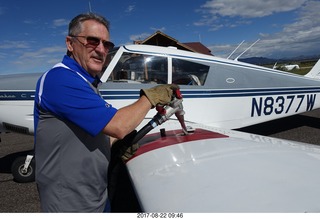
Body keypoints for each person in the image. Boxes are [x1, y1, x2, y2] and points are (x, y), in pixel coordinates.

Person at [33, 12, 178, 212]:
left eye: (106, 44)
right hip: (70, 205)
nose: (101, 50)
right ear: (70, 43)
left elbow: (88, 135)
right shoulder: (60, 79)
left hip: (96, 196)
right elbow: (118, 126)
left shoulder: (87, 83)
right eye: (92, 41)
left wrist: (116, 147)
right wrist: (151, 97)